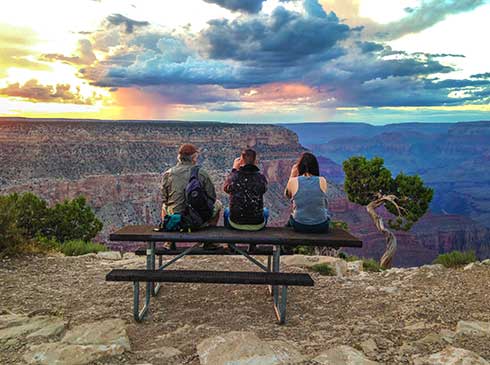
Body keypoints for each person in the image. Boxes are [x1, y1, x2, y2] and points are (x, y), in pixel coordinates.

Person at [161, 143, 222, 248]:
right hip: (197, 220)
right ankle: (208, 241)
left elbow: (164, 198)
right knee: (218, 204)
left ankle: (169, 241)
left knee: (164, 207)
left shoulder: (168, 174)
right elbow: (212, 197)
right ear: (194, 157)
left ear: (179, 157)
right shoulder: (201, 173)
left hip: (177, 219)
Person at [223, 148, 269, 233]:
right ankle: (253, 244)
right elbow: (264, 189)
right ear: (255, 161)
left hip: (235, 223)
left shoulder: (234, 176)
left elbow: (226, 189)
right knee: (266, 211)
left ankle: (230, 243)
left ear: (241, 161)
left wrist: (234, 169)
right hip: (257, 224)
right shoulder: (261, 178)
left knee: (226, 211)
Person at [284, 152, 330, 233]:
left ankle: (284, 245)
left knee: (291, 219)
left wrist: (292, 175)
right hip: (321, 226)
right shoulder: (322, 180)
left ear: (299, 167)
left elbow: (287, 195)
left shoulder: (294, 181)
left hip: (299, 226)